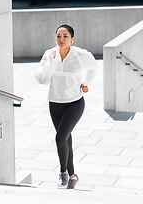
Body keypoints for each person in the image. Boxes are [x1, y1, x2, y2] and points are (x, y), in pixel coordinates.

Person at [35, 24, 98, 189]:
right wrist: (50, 63)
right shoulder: (50, 55)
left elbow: (93, 68)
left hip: (74, 102)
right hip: (55, 102)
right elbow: (41, 79)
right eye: (58, 36)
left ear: (72, 38)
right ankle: (72, 176)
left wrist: (87, 84)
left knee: (60, 138)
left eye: (65, 36)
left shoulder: (80, 55)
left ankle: (62, 172)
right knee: (66, 140)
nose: (61, 40)